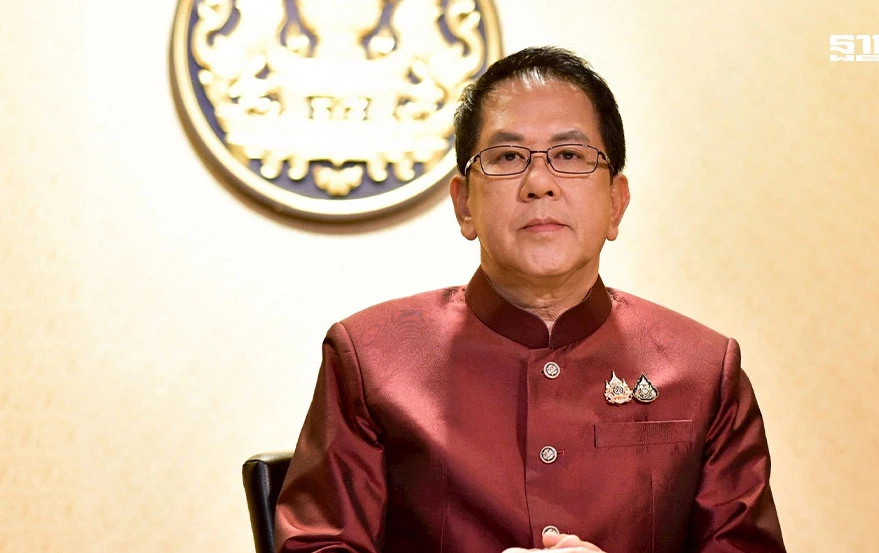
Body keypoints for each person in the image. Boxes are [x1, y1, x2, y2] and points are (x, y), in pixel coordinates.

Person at [274, 46, 785, 553]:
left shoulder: (704, 372)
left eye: (570, 156)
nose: (539, 183)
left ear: (616, 202)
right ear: (464, 205)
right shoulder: (370, 359)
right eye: (507, 158)